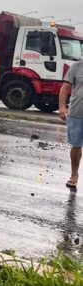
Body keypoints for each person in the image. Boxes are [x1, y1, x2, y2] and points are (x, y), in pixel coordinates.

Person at [60, 59, 83, 189]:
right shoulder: (76, 67)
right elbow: (65, 88)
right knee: (76, 146)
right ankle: (74, 175)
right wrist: (62, 107)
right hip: (77, 113)